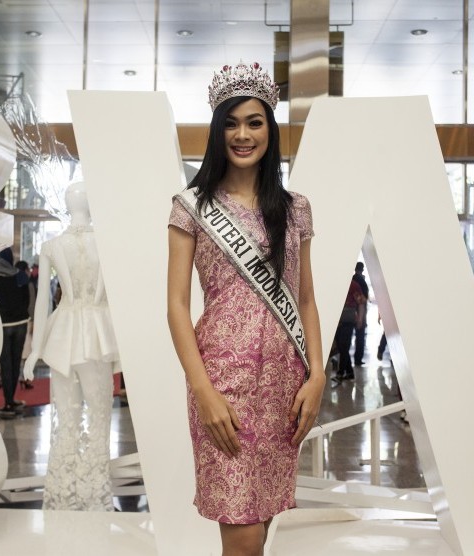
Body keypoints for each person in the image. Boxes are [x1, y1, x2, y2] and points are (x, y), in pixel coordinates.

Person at [167, 61, 325, 556]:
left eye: (254, 122)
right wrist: (203, 391)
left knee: (261, 527)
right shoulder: (190, 206)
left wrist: (316, 376)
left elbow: (305, 299)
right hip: (222, 386)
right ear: (217, 132)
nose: (242, 134)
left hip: (285, 385)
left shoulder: (295, 207)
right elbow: (174, 305)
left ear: (269, 130)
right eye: (231, 123)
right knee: (241, 536)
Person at [22, 181, 119, 511]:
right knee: (99, 410)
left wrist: (36, 348)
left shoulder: (52, 245)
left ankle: (67, 485)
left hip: (64, 332)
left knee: (67, 411)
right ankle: (93, 484)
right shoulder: (106, 243)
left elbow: (43, 306)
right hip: (96, 331)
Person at [0, 248, 34, 419]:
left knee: (6, 365)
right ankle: (12, 400)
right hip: (21, 323)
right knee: (15, 363)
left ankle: (8, 403)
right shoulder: (20, 276)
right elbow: (26, 300)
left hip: (3, 326)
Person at [352, 261, 369, 366]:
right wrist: (361, 317)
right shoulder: (361, 281)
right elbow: (362, 300)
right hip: (360, 311)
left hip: (352, 311)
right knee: (360, 336)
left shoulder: (353, 279)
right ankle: (358, 359)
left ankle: (355, 360)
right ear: (362, 269)